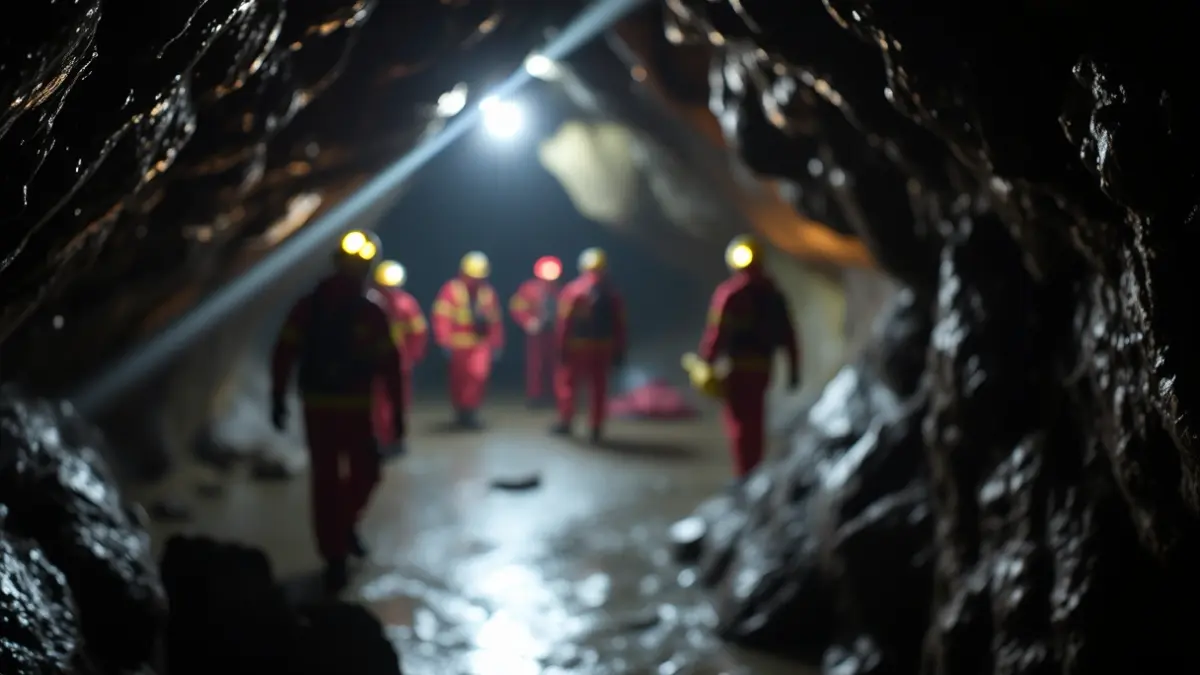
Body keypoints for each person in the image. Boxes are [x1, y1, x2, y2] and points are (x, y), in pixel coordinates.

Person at [270, 229, 406, 591]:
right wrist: (398, 414)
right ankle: (335, 554)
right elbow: (286, 350)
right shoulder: (326, 308)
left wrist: (278, 397)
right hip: (328, 408)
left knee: (348, 476)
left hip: (339, 408)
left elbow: (389, 365)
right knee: (341, 477)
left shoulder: (355, 309)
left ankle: (341, 531)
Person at [698, 234, 800, 478]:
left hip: (736, 368)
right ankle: (754, 473)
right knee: (755, 421)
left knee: (739, 425)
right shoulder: (773, 295)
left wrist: (706, 361)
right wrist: (794, 369)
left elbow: (717, 332)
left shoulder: (730, 294)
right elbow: (789, 336)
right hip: (763, 368)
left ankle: (745, 475)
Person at [552, 247, 627, 444]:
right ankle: (595, 427)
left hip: (578, 347)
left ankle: (566, 421)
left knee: (568, 384)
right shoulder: (612, 293)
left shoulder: (573, 291)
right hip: (603, 347)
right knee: (599, 388)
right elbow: (620, 325)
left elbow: (564, 322)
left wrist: (561, 347)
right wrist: (619, 349)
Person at [431, 251, 504, 429]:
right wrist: (443, 341)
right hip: (457, 344)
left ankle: (470, 412)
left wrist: (497, 343)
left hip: (480, 345)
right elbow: (442, 317)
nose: (475, 281)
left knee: (478, 378)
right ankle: (461, 413)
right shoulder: (451, 290)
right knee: (458, 381)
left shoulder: (488, 293)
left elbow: (495, 321)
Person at [371, 259, 428, 446]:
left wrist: (411, 356)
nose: (390, 290)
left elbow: (418, 332)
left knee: (399, 401)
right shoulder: (371, 302)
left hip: (397, 361)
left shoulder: (406, 304)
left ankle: (394, 438)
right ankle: (383, 438)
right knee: (379, 403)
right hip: (377, 363)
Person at [508, 255, 563, 408]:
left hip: (554, 334)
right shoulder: (529, 288)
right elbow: (517, 306)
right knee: (535, 366)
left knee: (555, 366)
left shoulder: (559, 290)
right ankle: (535, 396)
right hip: (536, 335)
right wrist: (527, 321)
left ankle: (554, 395)